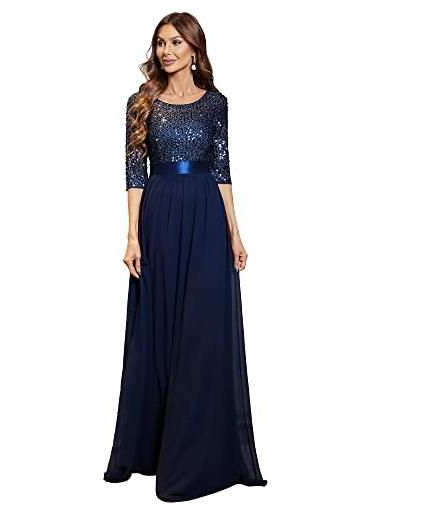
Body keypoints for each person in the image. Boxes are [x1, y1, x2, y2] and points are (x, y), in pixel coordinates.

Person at [103, 12, 268, 502]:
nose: (167, 50)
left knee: (203, 328)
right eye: (160, 43)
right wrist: (132, 236)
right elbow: (134, 174)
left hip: (206, 219)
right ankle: (151, 450)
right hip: (159, 216)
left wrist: (235, 233)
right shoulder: (141, 102)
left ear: (195, 49)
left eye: (176, 42)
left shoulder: (215, 103)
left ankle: (200, 454)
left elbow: (222, 170)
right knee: (158, 328)